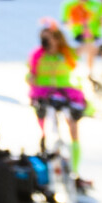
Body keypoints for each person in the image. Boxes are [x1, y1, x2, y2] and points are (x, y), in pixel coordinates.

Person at [26, 23, 84, 175]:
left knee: (73, 126)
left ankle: (74, 170)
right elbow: (30, 73)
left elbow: (83, 51)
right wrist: (31, 79)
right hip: (44, 94)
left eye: (49, 37)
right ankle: (47, 164)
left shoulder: (66, 53)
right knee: (45, 127)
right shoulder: (37, 55)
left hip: (66, 93)